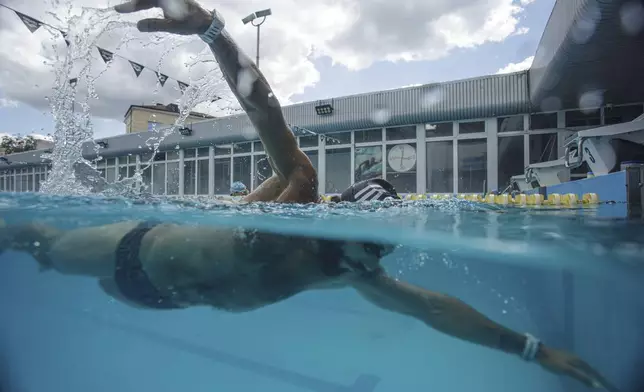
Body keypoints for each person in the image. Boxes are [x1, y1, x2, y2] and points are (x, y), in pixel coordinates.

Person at [0, 1, 617, 390]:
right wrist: (213, 30)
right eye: (353, 246)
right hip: (128, 256)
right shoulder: (301, 196)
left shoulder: (349, 268)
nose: (355, 261)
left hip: (168, 299)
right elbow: (265, 110)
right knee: (37, 242)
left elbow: (433, 308)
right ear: (334, 214)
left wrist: (536, 352)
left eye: (369, 256)